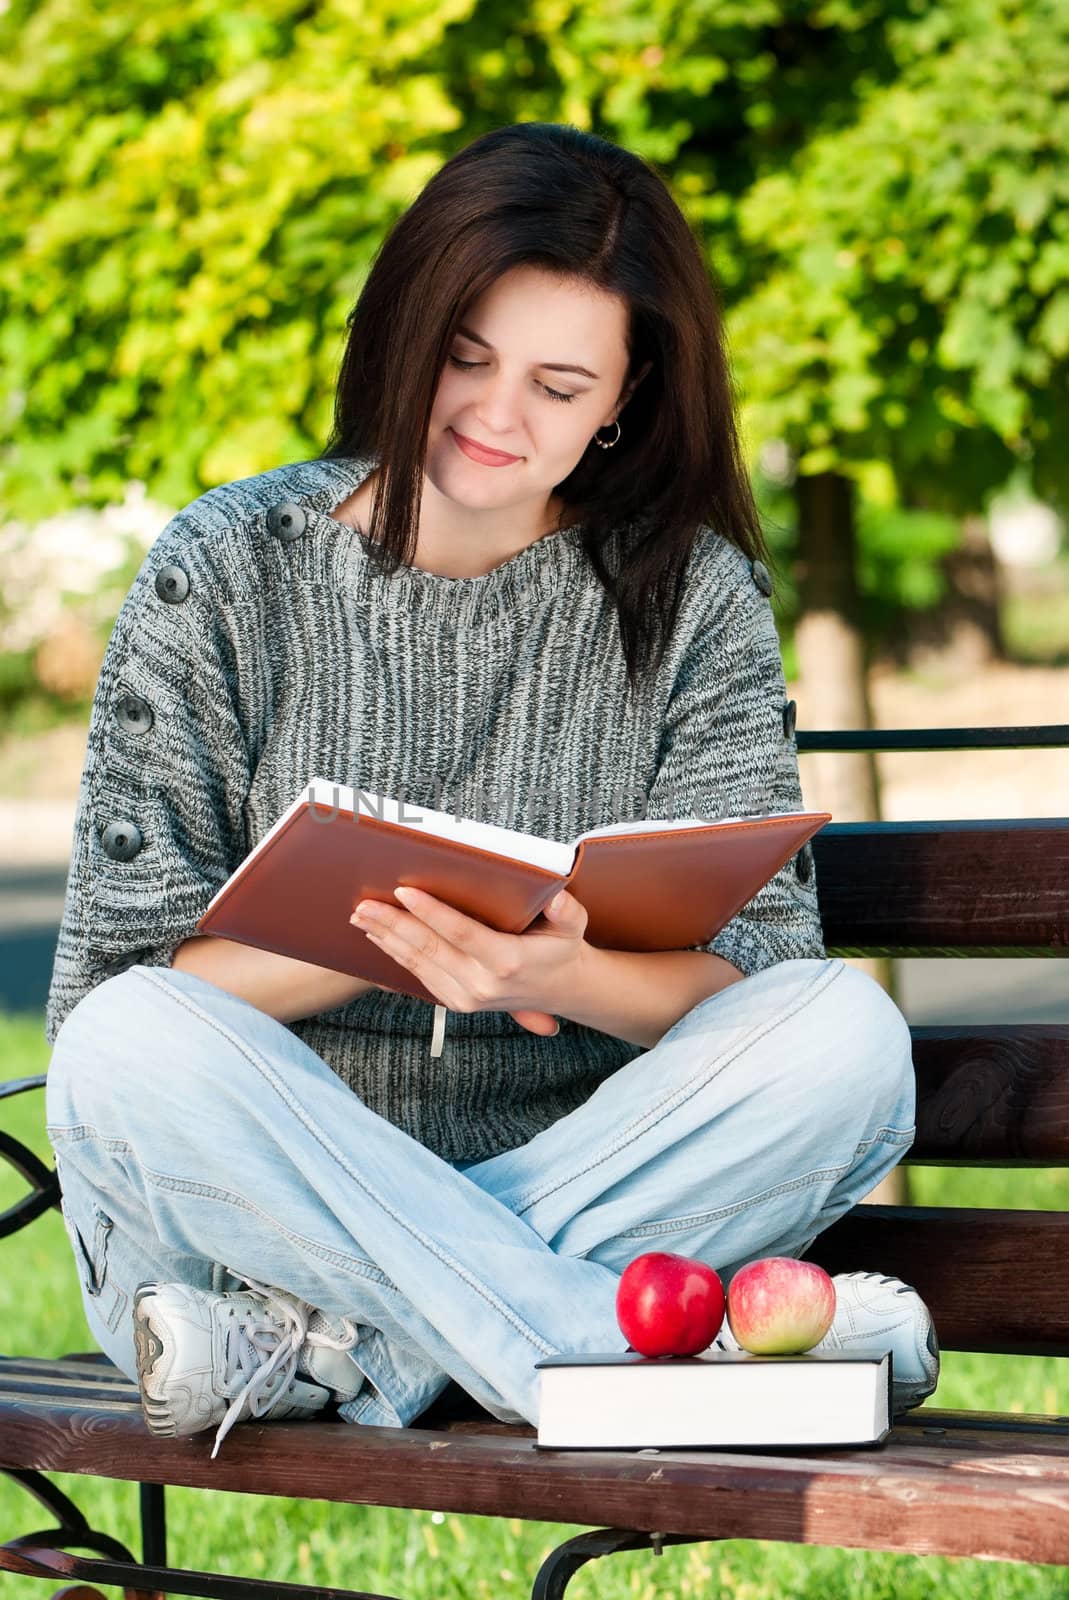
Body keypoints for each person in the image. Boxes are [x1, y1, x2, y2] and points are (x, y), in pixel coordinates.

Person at [43, 122, 938, 1461]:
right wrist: (377, 945)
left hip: (468, 1228)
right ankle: (597, 1347)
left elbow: (752, 988)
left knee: (845, 1040)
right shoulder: (224, 567)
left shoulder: (691, 599)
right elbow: (118, 999)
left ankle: (344, 1351)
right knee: (126, 1046)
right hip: (241, 1225)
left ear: (623, 403)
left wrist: (560, 973)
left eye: (558, 385)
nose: (494, 416)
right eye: (465, 357)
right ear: (406, 327)